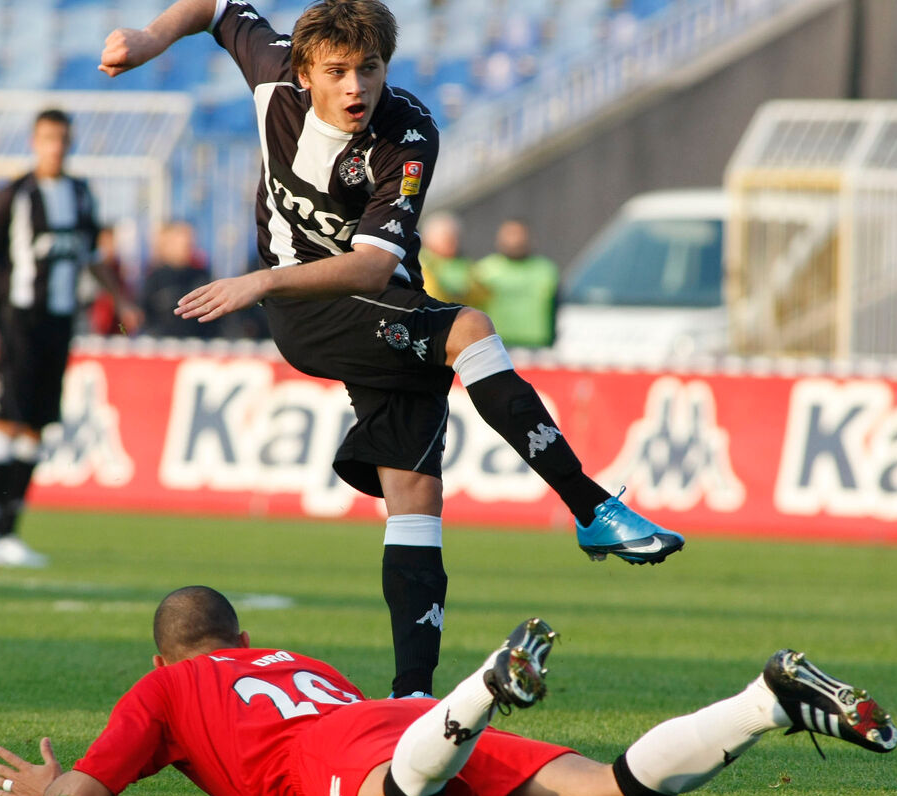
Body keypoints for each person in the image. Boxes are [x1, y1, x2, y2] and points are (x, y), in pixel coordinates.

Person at [99, 0, 684, 699]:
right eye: (337, 72)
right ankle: (590, 507)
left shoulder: (408, 131)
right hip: (306, 309)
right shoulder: (272, 74)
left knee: (414, 494)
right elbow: (216, 6)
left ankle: (412, 696)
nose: (356, 87)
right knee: (469, 330)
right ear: (304, 73)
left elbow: (375, 266)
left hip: (374, 298)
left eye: (369, 69)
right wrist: (150, 38)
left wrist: (257, 279)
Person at [0, 585, 897, 796]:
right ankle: (765, 701)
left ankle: (485, 686)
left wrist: (45, 787)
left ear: (161, 659)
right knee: (603, 790)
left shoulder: (165, 690)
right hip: (393, 719)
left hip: (351, 753)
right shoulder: (292, 659)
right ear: (244, 640)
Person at [0, 108, 142, 569]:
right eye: (47, 138)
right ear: (34, 142)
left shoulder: (79, 194)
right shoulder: (16, 195)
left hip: (59, 325)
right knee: (8, 422)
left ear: (70, 142)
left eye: (62, 139)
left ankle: (10, 533)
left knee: (36, 428)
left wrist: (120, 299)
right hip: (17, 323)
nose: (55, 147)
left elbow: (92, 255)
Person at [470, 219, 560, 349]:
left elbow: (556, 308)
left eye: (520, 235)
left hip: (536, 346)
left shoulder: (546, 270)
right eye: (510, 235)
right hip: (495, 343)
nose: (515, 240)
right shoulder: (483, 270)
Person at [140, 220, 220, 339]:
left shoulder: (201, 276)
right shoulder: (155, 278)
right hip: (163, 343)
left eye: (190, 243)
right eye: (181, 243)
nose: (187, 247)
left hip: (199, 342)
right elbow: (144, 315)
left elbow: (216, 318)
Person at [418, 212, 476, 305]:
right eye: (448, 238)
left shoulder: (463, 263)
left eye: (456, 237)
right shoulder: (420, 262)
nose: (455, 243)